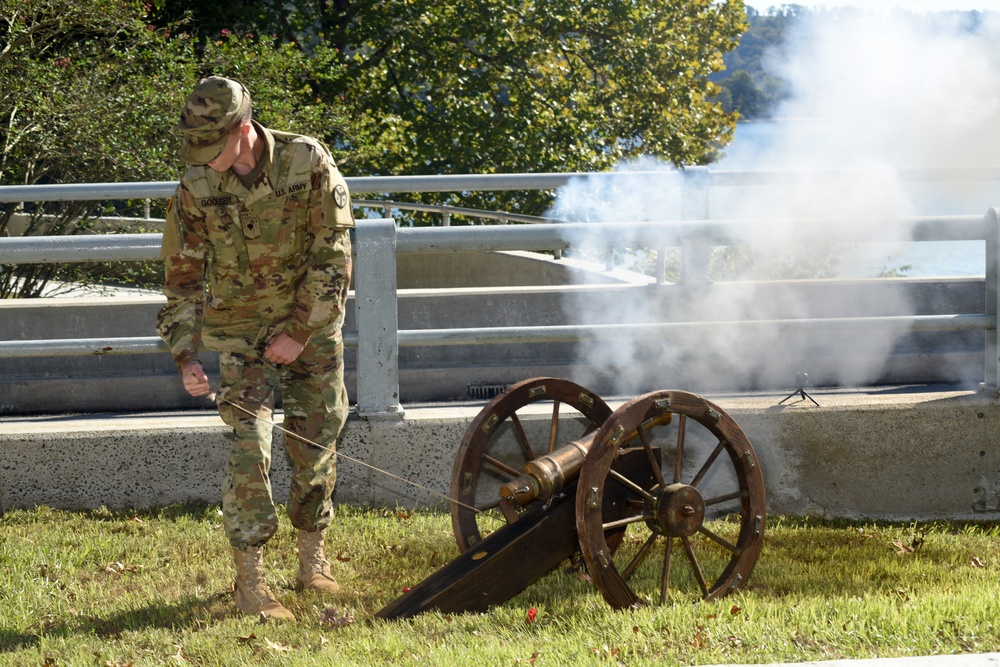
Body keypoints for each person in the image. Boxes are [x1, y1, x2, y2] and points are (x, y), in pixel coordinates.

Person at [156, 76, 354, 622]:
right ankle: (251, 582)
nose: (202, 161)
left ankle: (313, 561)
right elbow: (182, 277)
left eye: (211, 146)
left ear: (243, 130)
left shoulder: (305, 161)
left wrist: (300, 329)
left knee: (316, 445)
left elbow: (333, 255)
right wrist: (186, 354)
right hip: (239, 337)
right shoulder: (196, 184)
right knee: (251, 447)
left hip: (309, 331)